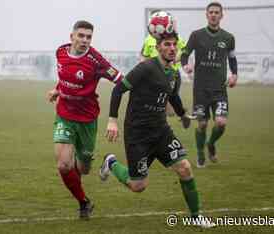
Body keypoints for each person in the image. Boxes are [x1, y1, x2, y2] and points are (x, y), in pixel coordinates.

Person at [100, 32, 215, 228]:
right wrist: (112, 120)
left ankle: (196, 217)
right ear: (159, 47)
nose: (172, 48)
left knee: (185, 168)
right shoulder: (146, 68)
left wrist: (182, 114)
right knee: (138, 186)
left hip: (161, 131)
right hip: (138, 133)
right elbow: (118, 89)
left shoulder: (173, 73)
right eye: (167, 45)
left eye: (174, 46)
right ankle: (111, 163)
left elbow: (172, 96)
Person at [47, 20, 122, 219]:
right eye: (81, 35)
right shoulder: (60, 52)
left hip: (87, 118)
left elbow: (120, 80)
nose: (85, 40)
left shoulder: (96, 61)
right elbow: (64, 75)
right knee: (64, 164)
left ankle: (106, 161)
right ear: (72, 36)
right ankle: (83, 202)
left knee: (84, 168)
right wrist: (57, 90)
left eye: (88, 37)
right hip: (64, 115)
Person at [181, 1, 238, 168]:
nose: (213, 15)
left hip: (219, 89)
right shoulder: (196, 35)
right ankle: (200, 154)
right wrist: (186, 65)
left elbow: (232, 58)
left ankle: (211, 144)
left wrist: (234, 75)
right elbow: (185, 54)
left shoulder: (228, 38)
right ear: (207, 15)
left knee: (221, 122)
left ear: (221, 15)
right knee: (202, 124)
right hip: (200, 89)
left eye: (216, 12)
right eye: (211, 12)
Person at [141, 10, 187, 116]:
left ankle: (179, 113)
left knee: (171, 100)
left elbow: (185, 50)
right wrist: (144, 66)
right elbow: (144, 55)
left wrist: (175, 59)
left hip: (172, 73)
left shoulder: (175, 37)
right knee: (158, 104)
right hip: (154, 74)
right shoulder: (149, 39)